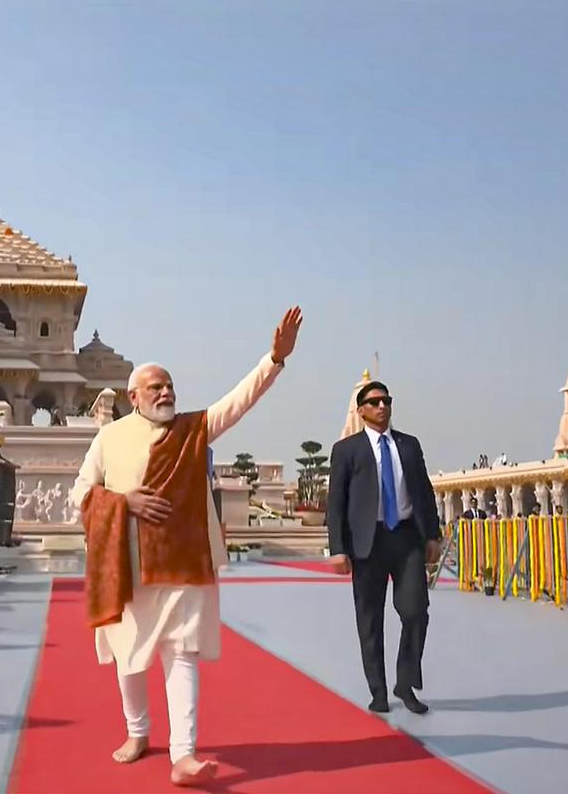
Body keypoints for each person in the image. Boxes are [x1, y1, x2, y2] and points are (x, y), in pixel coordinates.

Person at [70, 306, 302, 786]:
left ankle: (183, 754)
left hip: (185, 562)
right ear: (134, 396)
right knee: (130, 655)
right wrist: (123, 501)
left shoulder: (193, 430)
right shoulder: (109, 438)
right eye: (156, 387)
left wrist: (274, 361)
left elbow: (239, 402)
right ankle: (137, 733)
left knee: (182, 654)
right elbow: (80, 492)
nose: (167, 392)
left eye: (170, 384)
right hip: (128, 565)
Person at [326, 381, 441, 715]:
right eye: (373, 402)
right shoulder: (347, 450)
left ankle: (405, 683)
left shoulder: (408, 445)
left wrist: (432, 535)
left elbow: (424, 491)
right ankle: (377, 691)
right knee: (370, 620)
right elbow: (336, 503)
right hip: (367, 542)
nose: (381, 406)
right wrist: (337, 547)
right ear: (360, 410)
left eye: (386, 400)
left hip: (406, 538)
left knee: (416, 610)